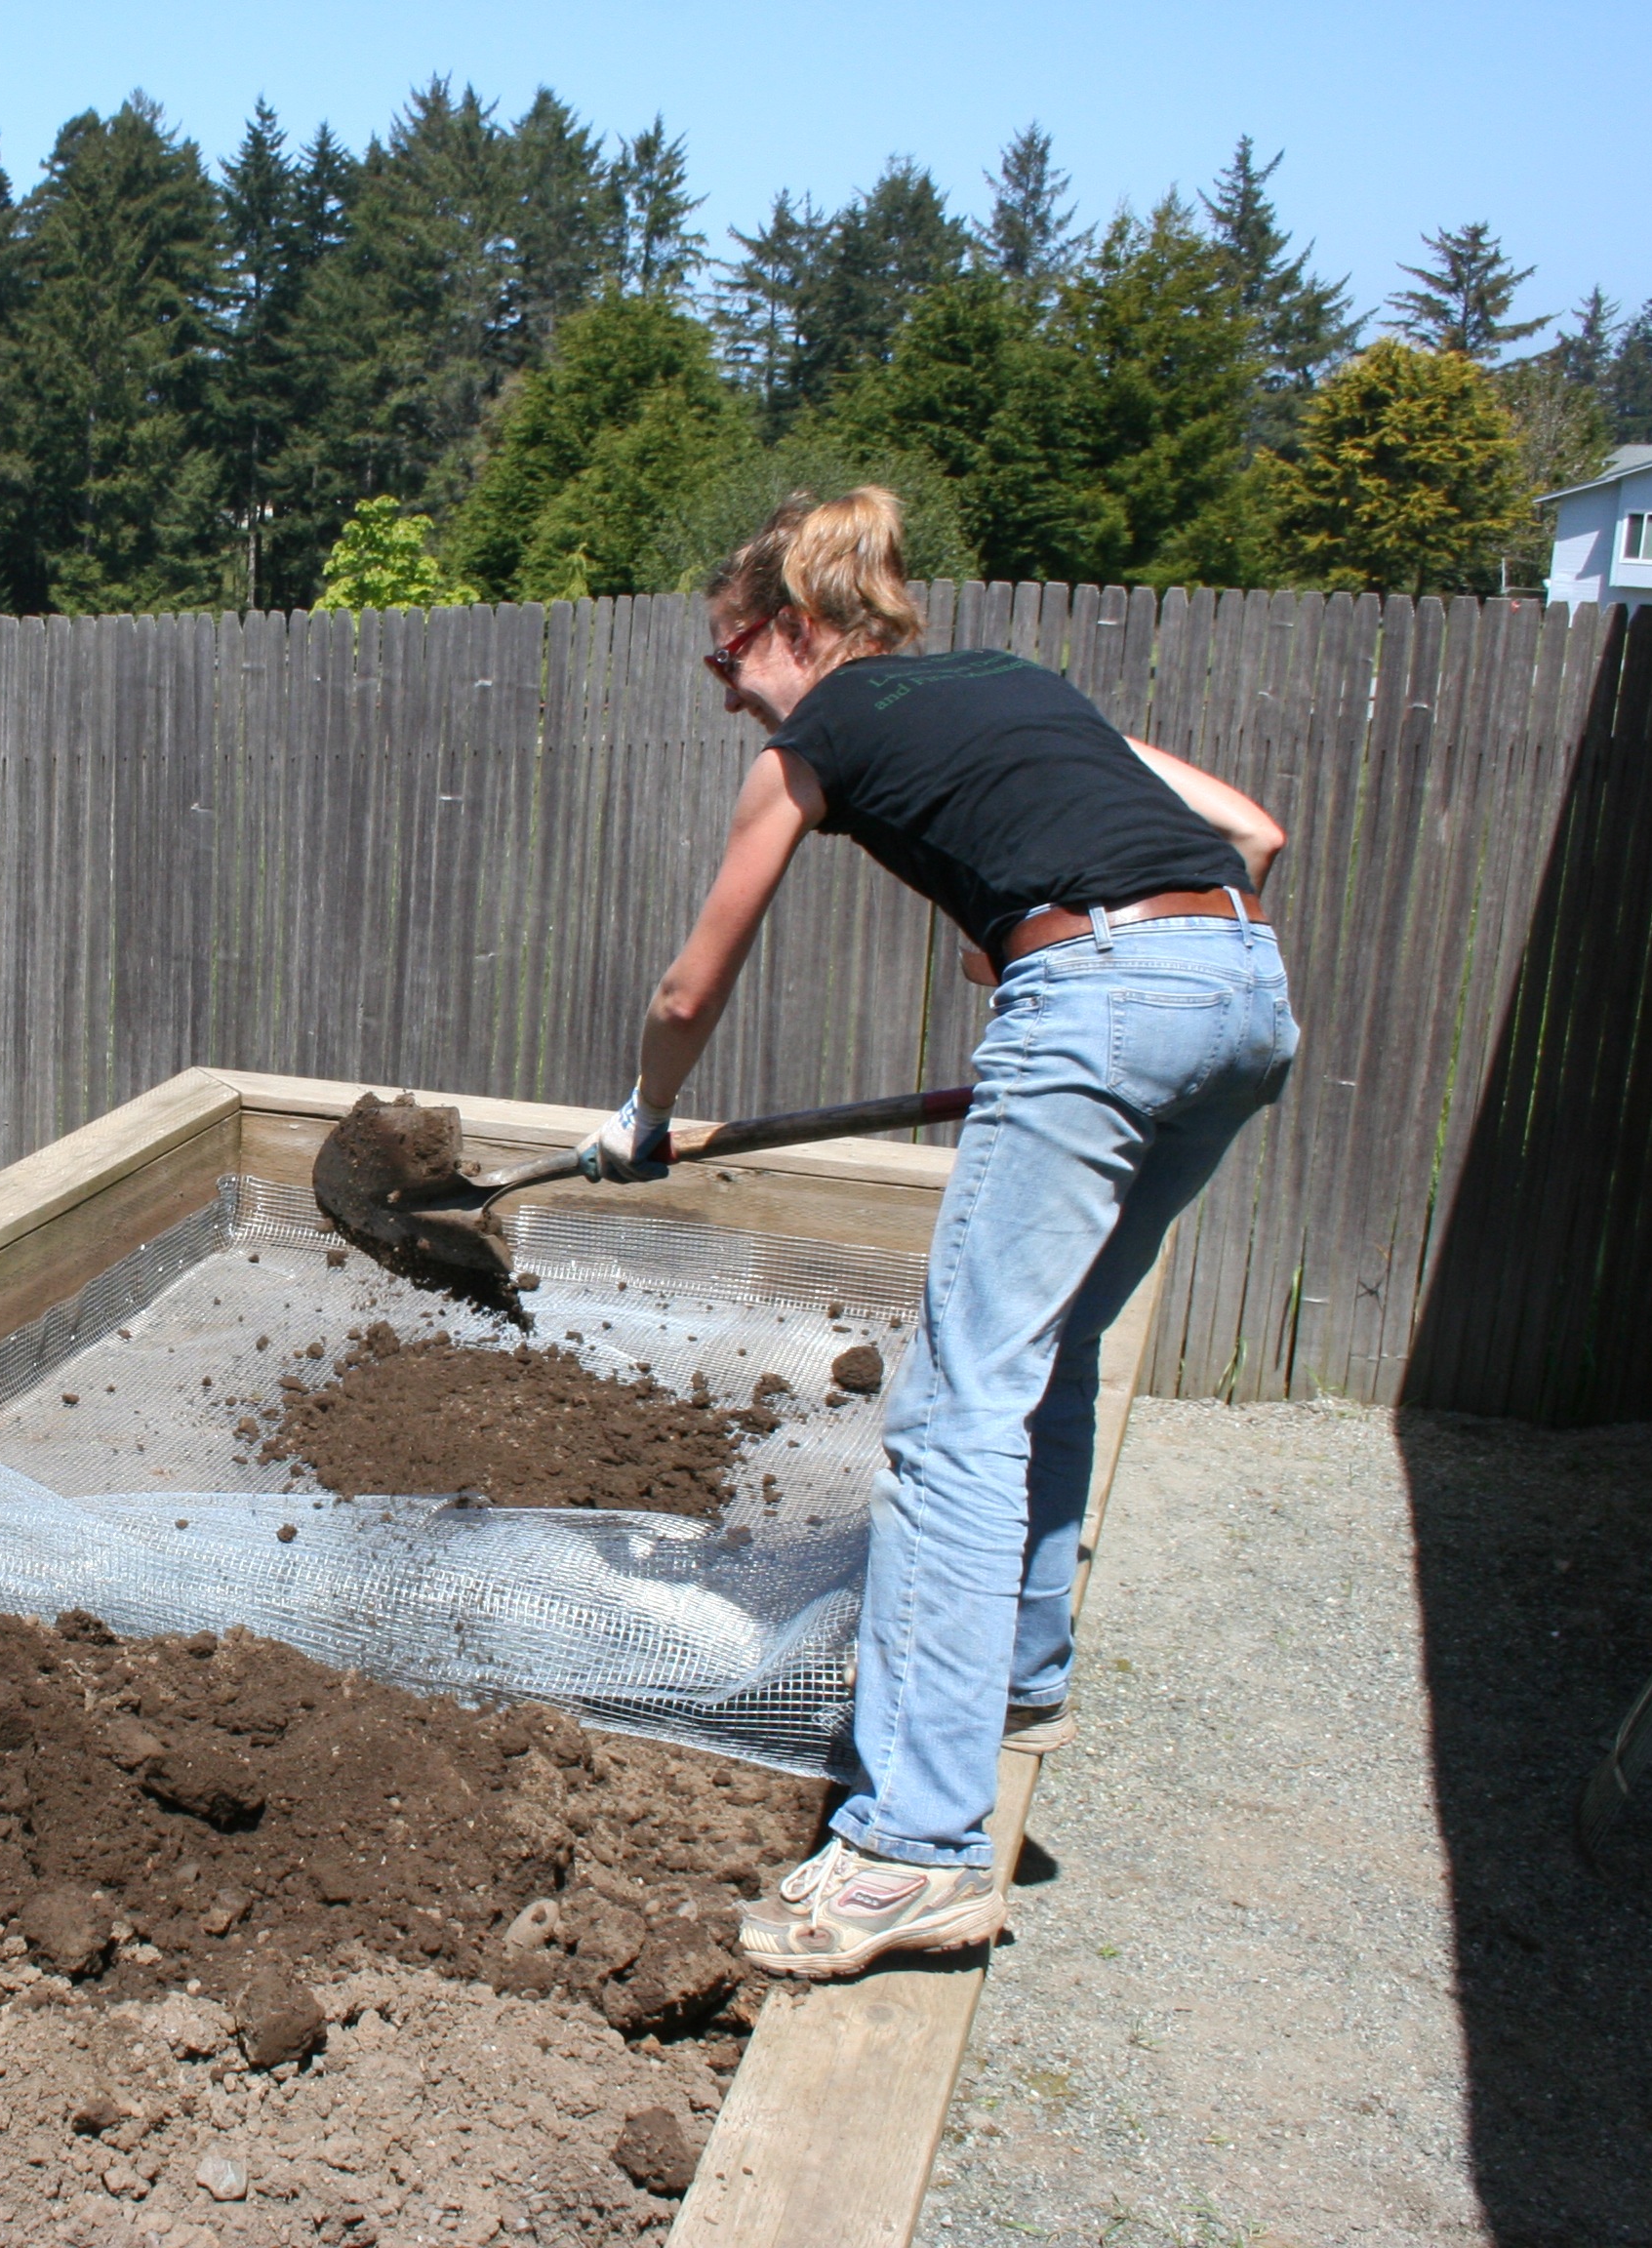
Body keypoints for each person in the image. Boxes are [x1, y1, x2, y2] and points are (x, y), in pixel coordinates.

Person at [583, 489, 1298, 1981]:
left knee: (953, 1418)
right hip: (1238, 986)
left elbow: (688, 992)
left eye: (727, 659)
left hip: (1095, 1003)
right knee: (1059, 1342)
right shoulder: (1020, 683)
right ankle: (1021, 1679)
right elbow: (1250, 832)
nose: (725, 692)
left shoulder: (818, 738)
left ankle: (914, 1851)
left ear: (790, 627)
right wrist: (1092, 958)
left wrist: (643, 1116)